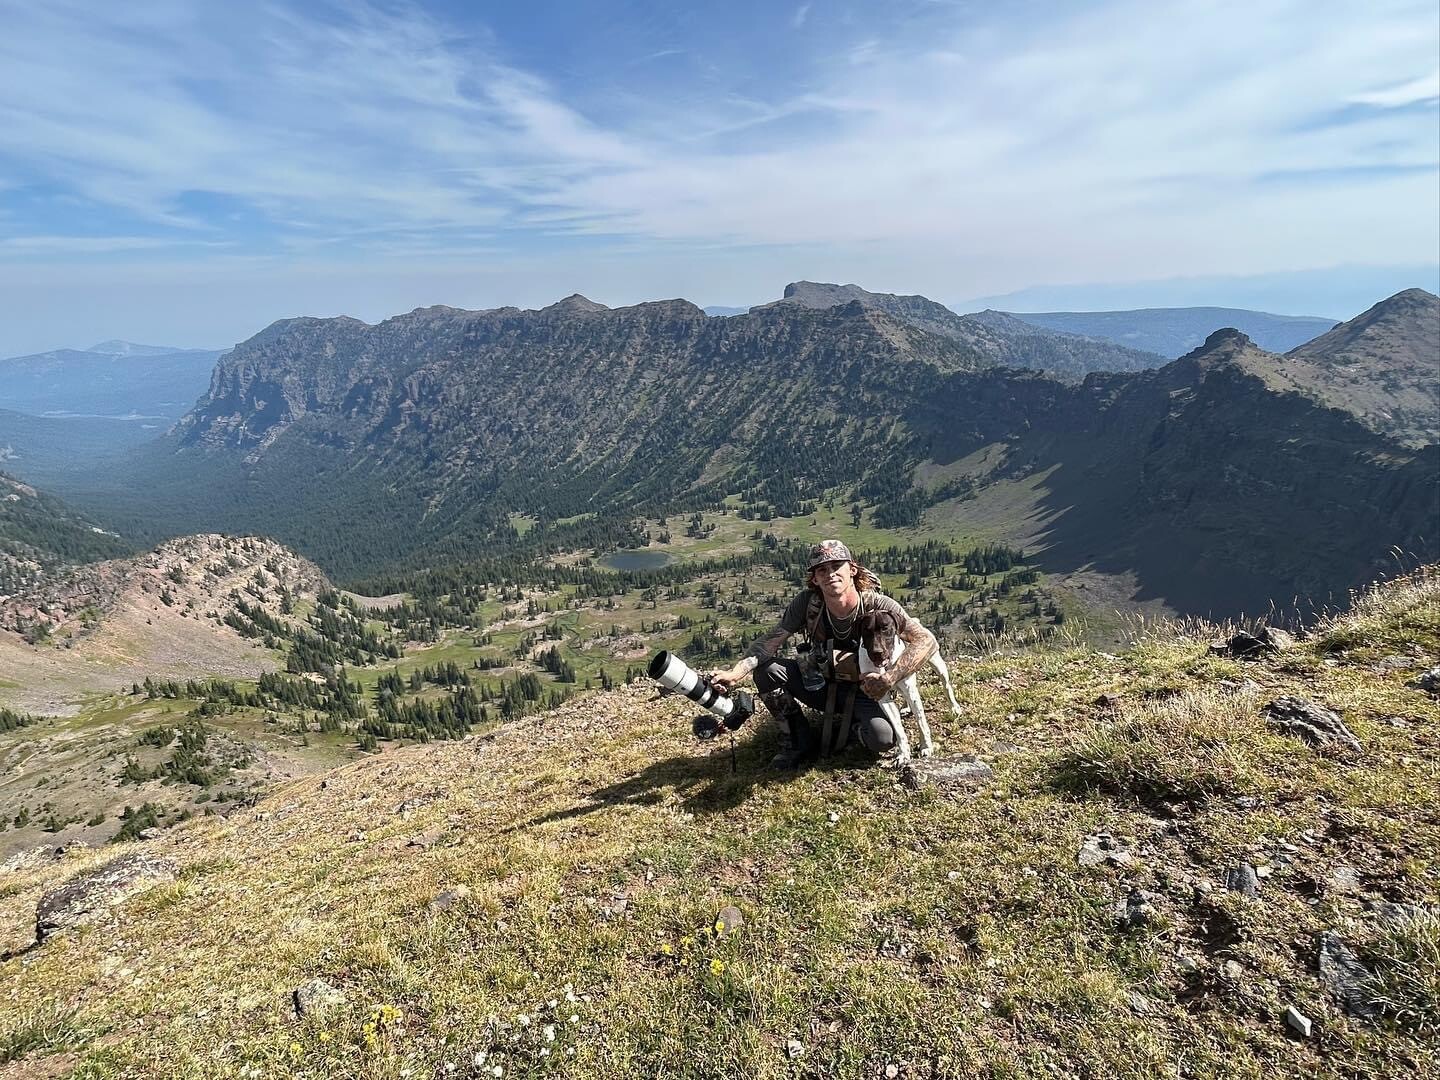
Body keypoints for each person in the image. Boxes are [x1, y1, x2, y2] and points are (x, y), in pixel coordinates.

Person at [709, 539, 937, 768]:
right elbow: (771, 641)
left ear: (852, 570)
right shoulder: (808, 604)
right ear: (815, 578)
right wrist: (735, 673)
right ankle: (796, 740)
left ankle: (855, 729)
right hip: (819, 684)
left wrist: (889, 678)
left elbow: (925, 640)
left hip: (867, 691)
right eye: (822, 569)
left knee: (881, 740)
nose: (830, 574)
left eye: (837, 566)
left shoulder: (879, 606)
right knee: (768, 671)